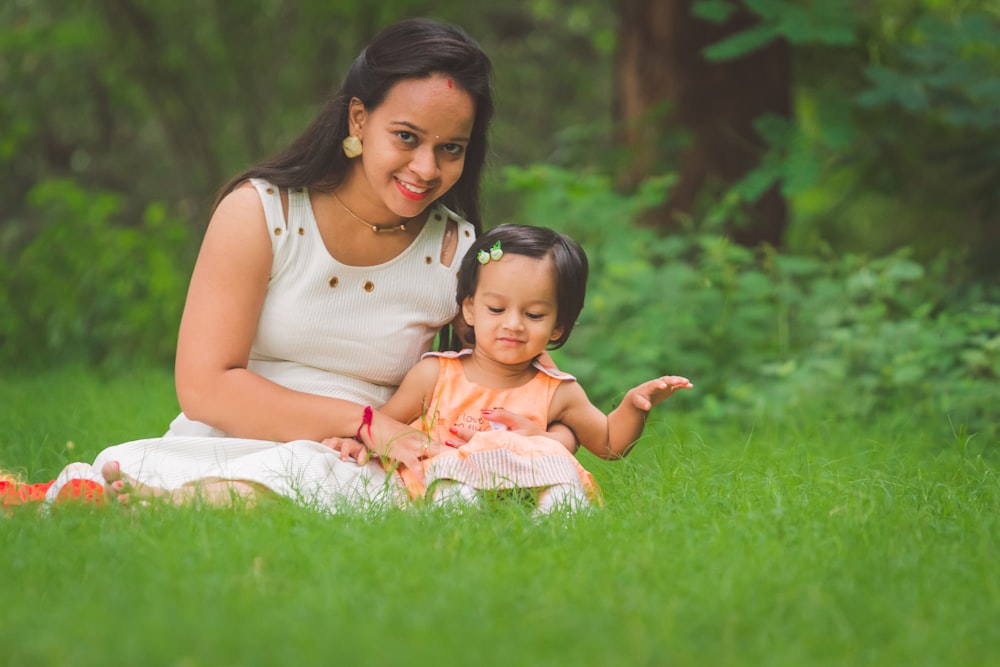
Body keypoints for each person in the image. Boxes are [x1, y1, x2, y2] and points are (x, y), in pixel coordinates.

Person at [3, 18, 575, 513]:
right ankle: (123, 499)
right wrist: (364, 421)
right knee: (160, 473)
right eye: (406, 137)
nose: (426, 167)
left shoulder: (457, 249)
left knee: (337, 487)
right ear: (358, 121)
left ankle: (171, 507)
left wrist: (558, 437)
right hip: (235, 436)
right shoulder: (261, 212)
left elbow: (525, 371)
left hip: (359, 462)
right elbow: (204, 388)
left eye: (451, 148)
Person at [338, 224, 693, 514]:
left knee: (564, 492)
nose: (513, 324)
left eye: (534, 315)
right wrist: (359, 441)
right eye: (496, 309)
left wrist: (633, 405)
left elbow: (610, 444)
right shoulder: (437, 374)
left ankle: (554, 535)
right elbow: (385, 424)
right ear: (470, 309)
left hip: (526, 491)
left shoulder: (557, 390)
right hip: (449, 479)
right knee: (453, 495)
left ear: (558, 326)